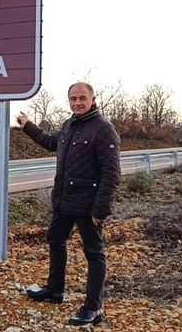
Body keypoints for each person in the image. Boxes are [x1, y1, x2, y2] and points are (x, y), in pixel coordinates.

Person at [15, 82, 121, 327]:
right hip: (64, 200)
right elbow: (52, 142)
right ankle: (55, 291)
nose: (77, 103)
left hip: (88, 203)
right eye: (73, 99)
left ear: (93, 99)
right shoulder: (69, 124)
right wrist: (28, 126)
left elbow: (112, 173)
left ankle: (93, 308)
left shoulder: (104, 129)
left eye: (82, 98)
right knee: (55, 239)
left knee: (94, 253)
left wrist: (101, 209)